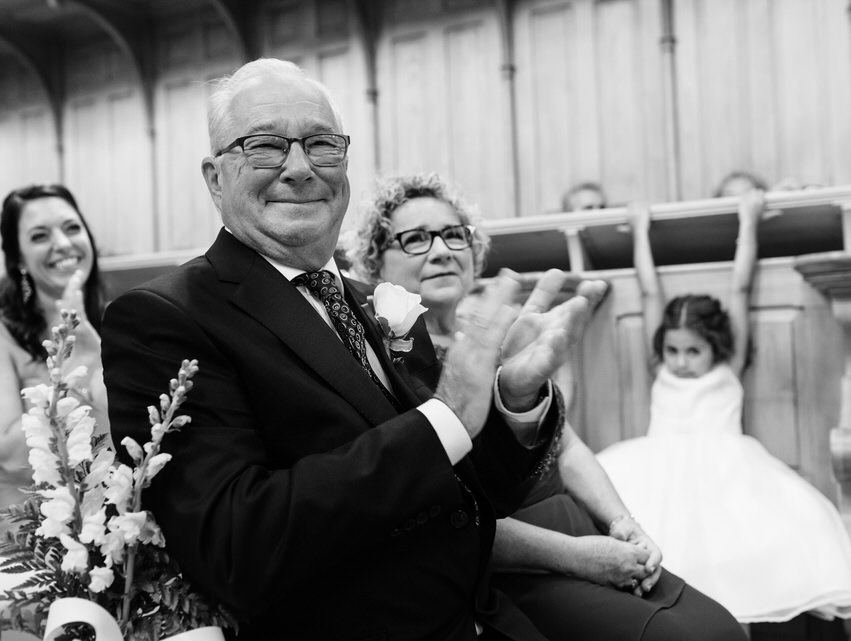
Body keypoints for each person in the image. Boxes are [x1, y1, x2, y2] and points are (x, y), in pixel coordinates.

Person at [100, 58, 599, 641]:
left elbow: (471, 491)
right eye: (265, 146)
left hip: (484, 617)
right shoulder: (166, 317)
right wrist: (447, 414)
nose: (300, 168)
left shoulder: (379, 302)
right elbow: (236, 547)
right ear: (215, 178)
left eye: (321, 145)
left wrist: (510, 400)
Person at [347, 172, 748, 641]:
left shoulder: (509, 334)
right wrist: (583, 558)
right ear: (376, 263)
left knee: (723, 627)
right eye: (415, 239)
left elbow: (569, 446)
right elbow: (444, 517)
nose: (441, 250)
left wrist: (623, 525)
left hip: (583, 529)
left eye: (453, 234)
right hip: (514, 561)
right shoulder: (383, 364)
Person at [595, 192, 851, 630]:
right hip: (657, 470)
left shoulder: (729, 366)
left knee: (735, 570)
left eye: (693, 351)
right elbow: (650, 292)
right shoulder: (659, 368)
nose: (681, 361)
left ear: (715, 347)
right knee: (660, 569)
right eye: (673, 350)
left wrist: (748, 222)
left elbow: (741, 286)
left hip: (727, 474)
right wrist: (640, 230)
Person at [0, 184, 108, 552]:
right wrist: (84, 362)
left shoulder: (120, 328)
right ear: (19, 258)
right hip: (18, 525)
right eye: (40, 236)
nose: (62, 243)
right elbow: (10, 454)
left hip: (106, 515)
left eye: (72, 228)